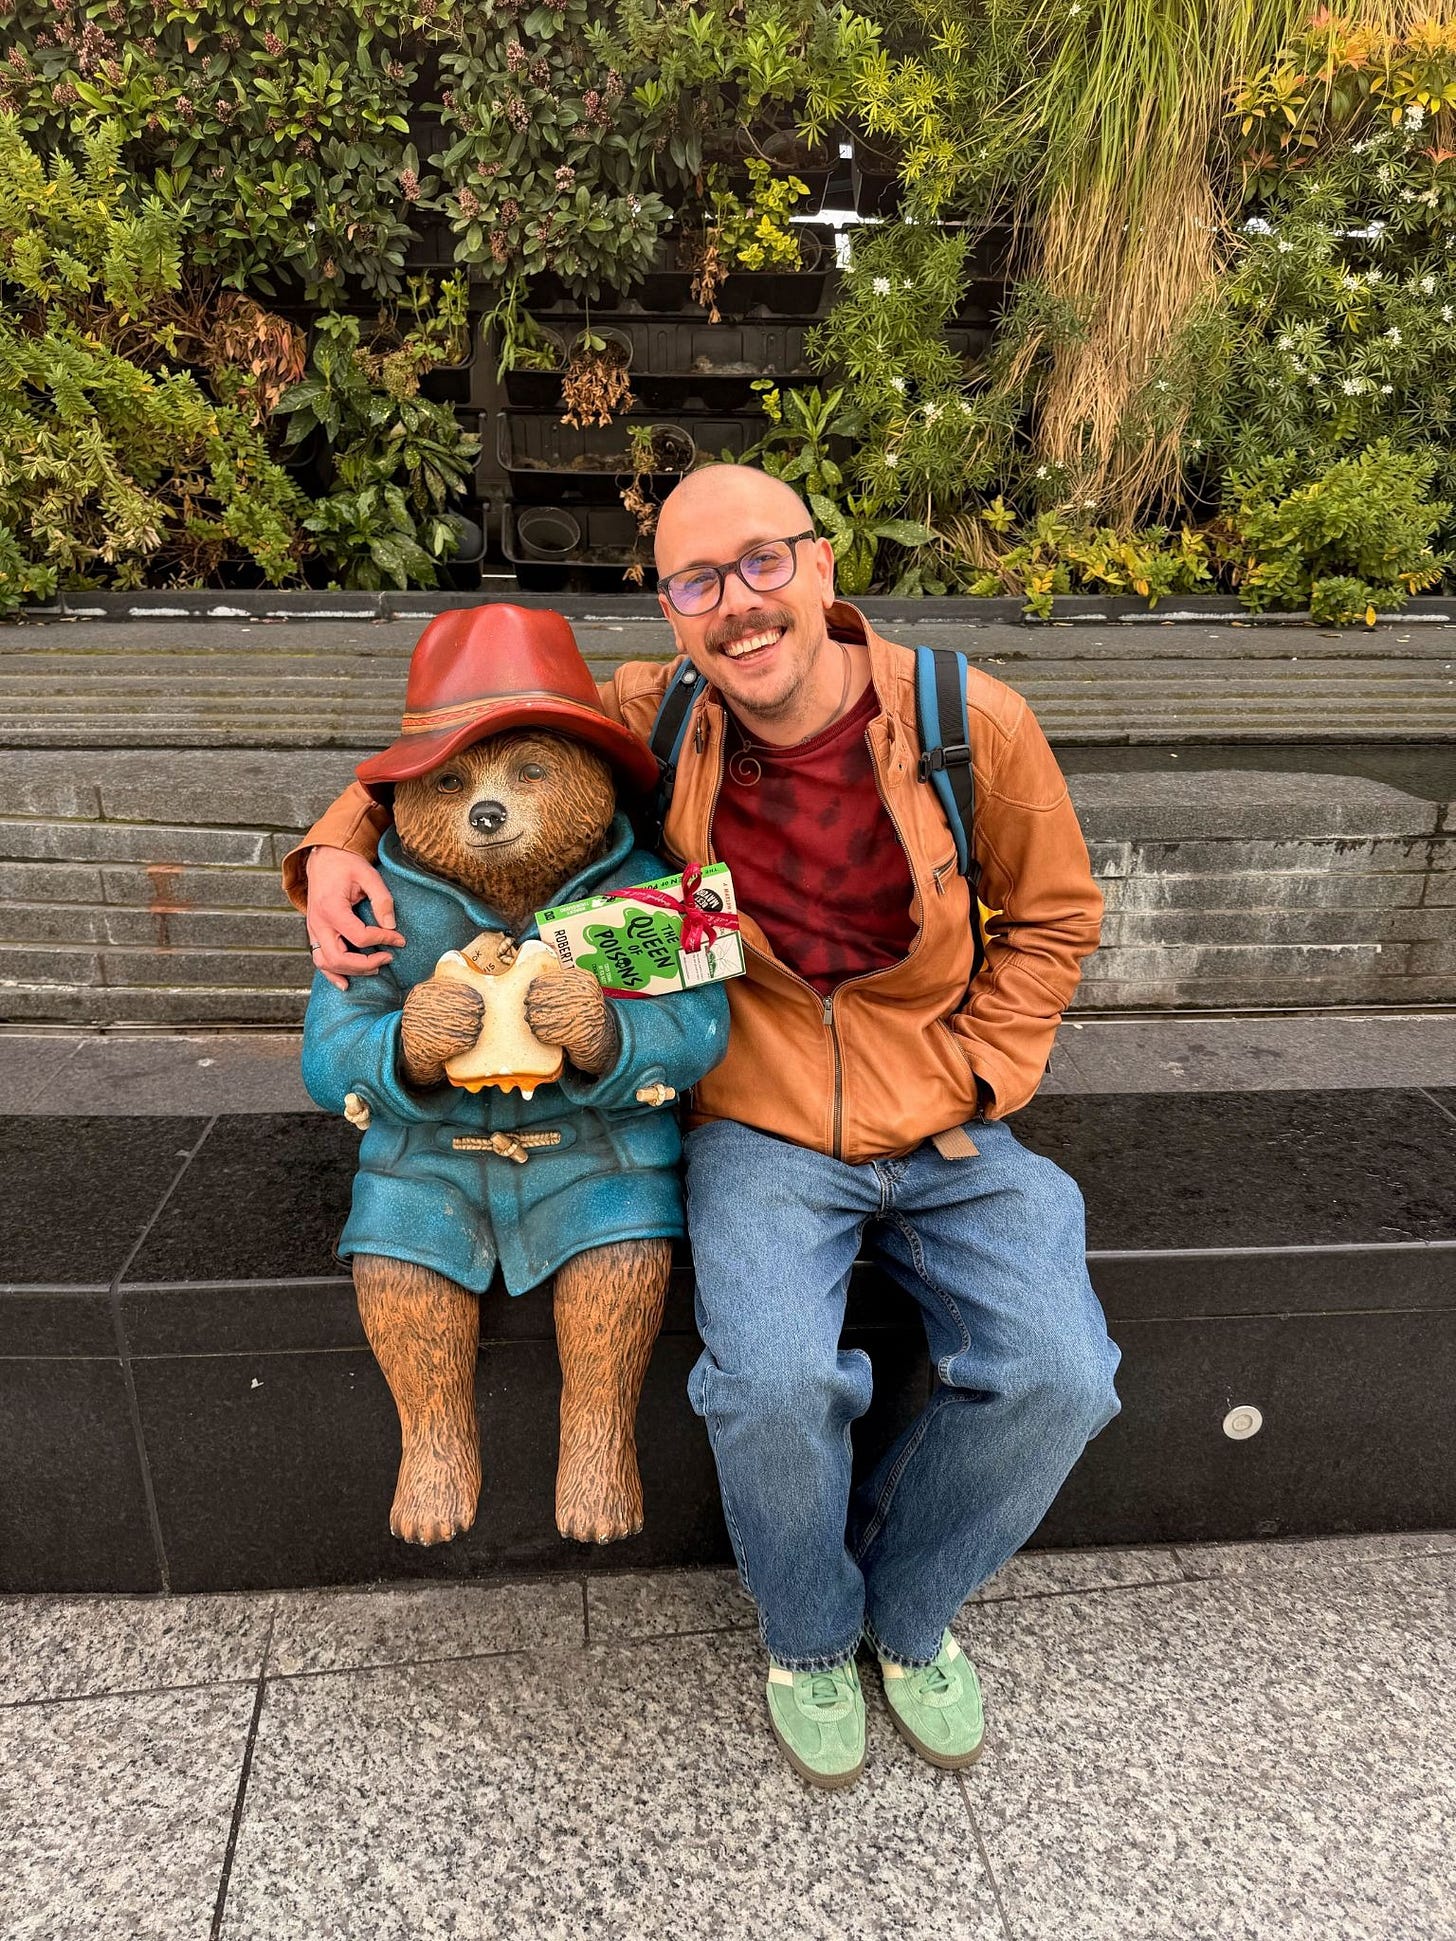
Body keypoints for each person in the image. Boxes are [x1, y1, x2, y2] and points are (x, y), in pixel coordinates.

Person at [286, 463, 1121, 1791]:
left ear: (825, 561)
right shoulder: (667, 714)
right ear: (670, 611)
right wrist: (335, 841)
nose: (736, 607)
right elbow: (464, 744)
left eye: (762, 563)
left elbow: (1059, 913)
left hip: (947, 1119)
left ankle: (906, 1614)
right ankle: (807, 1632)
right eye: (694, 582)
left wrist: (981, 1072)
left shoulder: (972, 722)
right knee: (772, 1385)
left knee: (1064, 1372)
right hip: (764, 1122)